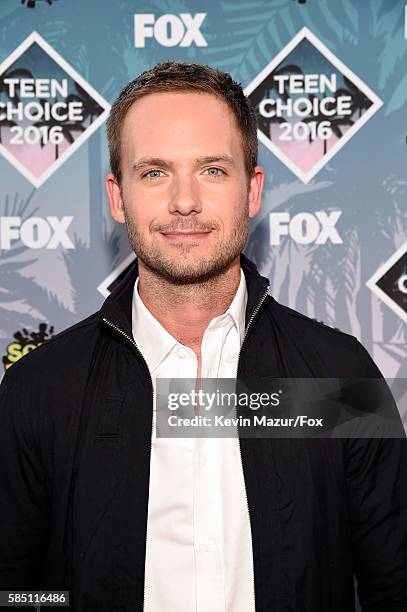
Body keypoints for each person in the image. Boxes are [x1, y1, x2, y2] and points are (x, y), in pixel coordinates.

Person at [0, 61, 406, 612]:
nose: (184, 201)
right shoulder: (39, 389)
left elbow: (393, 587)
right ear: (118, 199)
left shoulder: (339, 375)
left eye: (213, 169)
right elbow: (16, 592)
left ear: (253, 190)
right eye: (155, 172)